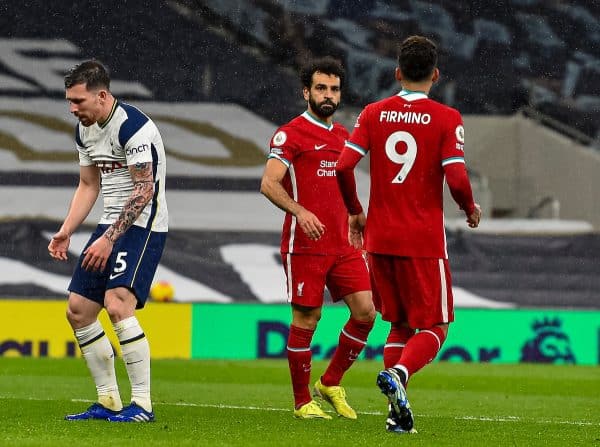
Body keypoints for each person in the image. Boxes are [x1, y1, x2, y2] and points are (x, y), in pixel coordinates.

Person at [336, 36, 482, 433]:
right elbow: (455, 174)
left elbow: (343, 167)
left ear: (397, 73)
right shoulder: (447, 117)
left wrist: (355, 212)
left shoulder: (372, 113)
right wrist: (469, 209)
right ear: (436, 75)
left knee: (399, 325)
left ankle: (394, 414)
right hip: (422, 240)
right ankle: (399, 374)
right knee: (437, 326)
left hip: (379, 240)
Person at [48, 60, 168, 423]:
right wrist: (67, 229)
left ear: (101, 96)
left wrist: (109, 239)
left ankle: (142, 406)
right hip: (109, 226)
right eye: (69, 101)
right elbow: (89, 184)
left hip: (143, 225)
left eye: (78, 101)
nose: (73, 108)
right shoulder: (83, 131)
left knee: (117, 305)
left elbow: (145, 190)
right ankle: (109, 401)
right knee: (79, 310)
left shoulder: (132, 127)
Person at [260, 57, 376, 420]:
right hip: (305, 245)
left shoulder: (343, 136)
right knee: (307, 320)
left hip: (343, 244)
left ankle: (329, 382)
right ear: (306, 92)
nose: (328, 95)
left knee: (366, 313)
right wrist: (300, 211)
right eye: (321, 88)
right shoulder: (290, 134)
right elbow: (268, 183)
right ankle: (301, 403)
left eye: (334, 89)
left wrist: (356, 214)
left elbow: (345, 182)